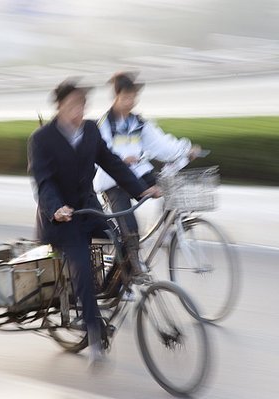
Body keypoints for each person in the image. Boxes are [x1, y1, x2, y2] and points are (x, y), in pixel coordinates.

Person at [27, 79, 158, 364]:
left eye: (83, 104)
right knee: (83, 268)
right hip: (62, 219)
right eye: (74, 104)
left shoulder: (89, 131)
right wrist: (56, 208)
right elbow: (44, 181)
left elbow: (111, 162)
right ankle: (94, 332)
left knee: (124, 242)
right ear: (60, 105)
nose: (79, 109)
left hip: (89, 210)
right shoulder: (42, 139)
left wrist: (140, 189)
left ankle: (113, 292)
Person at [93, 72, 201, 272]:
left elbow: (160, 143)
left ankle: (168, 230)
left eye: (133, 97)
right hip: (112, 179)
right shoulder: (103, 125)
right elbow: (101, 152)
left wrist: (185, 149)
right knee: (130, 229)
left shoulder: (139, 123)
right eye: (126, 97)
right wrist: (120, 159)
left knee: (169, 186)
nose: (130, 102)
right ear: (116, 97)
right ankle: (126, 273)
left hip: (138, 172)